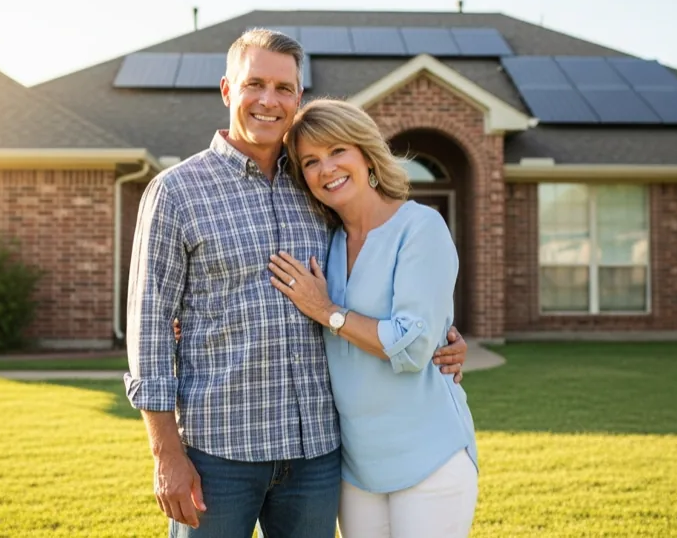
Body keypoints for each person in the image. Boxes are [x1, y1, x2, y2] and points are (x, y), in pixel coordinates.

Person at [123, 28, 468, 538]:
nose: (268, 100)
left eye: (284, 88)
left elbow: (378, 272)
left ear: (298, 97)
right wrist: (166, 454)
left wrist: (441, 335)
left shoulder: (317, 187)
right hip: (221, 453)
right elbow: (148, 330)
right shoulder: (176, 192)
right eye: (254, 84)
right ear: (227, 90)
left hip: (317, 457)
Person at [266, 99, 479, 538]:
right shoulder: (325, 240)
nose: (327, 169)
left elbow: (414, 347)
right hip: (357, 469)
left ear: (366, 153)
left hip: (430, 457)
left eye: (338, 150)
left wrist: (329, 312)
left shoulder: (421, 228)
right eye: (311, 161)